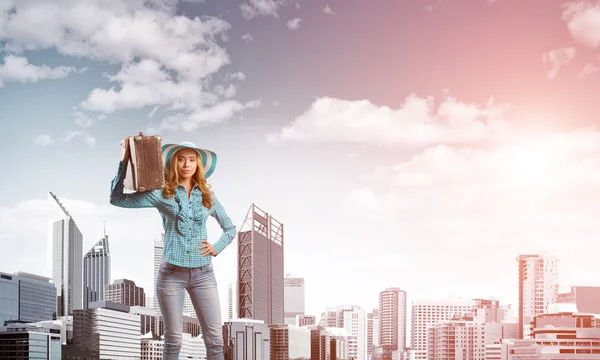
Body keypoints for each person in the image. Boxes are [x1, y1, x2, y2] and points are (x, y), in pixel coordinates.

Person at [109, 137, 236, 360]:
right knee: (173, 340)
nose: (186, 165)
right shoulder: (161, 193)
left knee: (215, 341)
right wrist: (125, 160)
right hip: (171, 276)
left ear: (198, 165)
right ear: (173, 163)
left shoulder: (208, 197)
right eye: (181, 160)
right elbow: (117, 199)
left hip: (204, 275)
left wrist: (217, 247)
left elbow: (230, 228)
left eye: (191, 160)